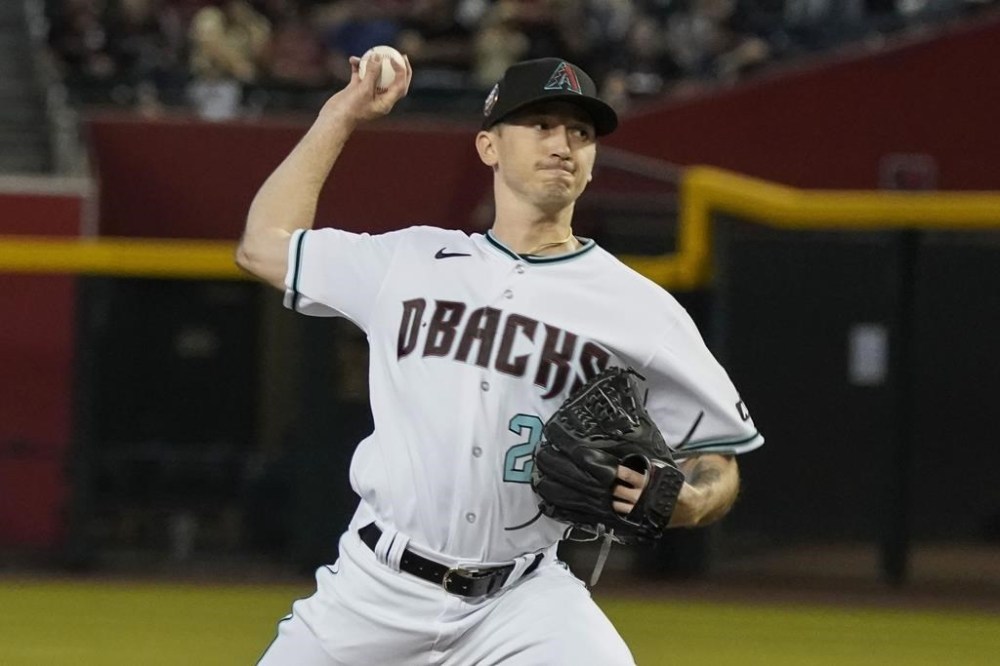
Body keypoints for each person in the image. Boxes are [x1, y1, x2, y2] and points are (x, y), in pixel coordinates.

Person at [237, 53, 763, 665]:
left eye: (581, 133)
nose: (563, 144)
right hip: (373, 593)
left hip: (522, 601)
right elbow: (262, 246)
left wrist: (690, 500)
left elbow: (717, 461)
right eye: (540, 124)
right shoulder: (407, 263)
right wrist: (341, 114)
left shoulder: (640, 308)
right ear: (488, 146)